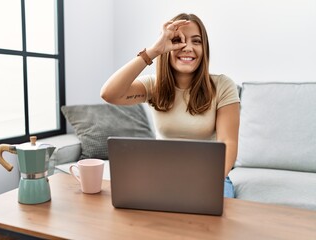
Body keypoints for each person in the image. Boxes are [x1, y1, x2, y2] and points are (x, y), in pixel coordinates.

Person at [100, 13, 240, 198]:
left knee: (210, 224)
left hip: (211, 176)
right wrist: (153, 51)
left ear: (204, 48)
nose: (188, 47)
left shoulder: (223, 85)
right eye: (178, 40)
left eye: (196, 41)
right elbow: (109, 94)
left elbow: (228, 143)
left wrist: (208, 181)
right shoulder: (153, 85)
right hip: (163, 174)